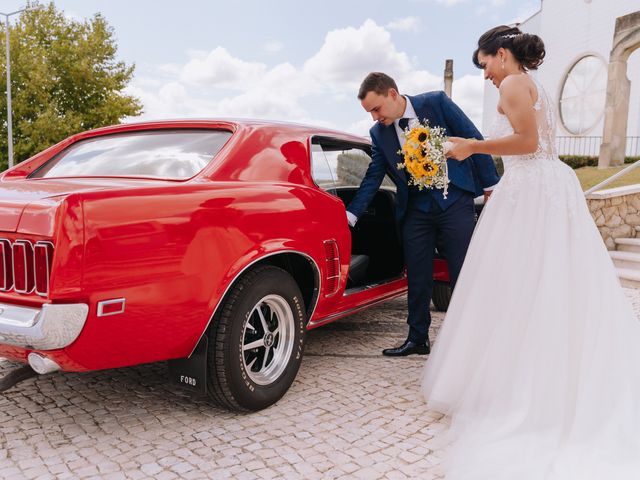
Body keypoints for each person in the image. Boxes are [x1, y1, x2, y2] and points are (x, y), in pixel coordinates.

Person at [422, 25, 640, 479]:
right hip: (542, 185)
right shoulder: (531, 84)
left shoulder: (516, 82)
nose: (484, 76)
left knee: (518, 282)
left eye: (484, 64)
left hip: (530, 188)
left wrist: (472, 147)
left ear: (501, 55)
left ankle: (520, 390)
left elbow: (528, 144)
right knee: (544, 280)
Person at [347, 72, 499, 357]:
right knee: (417, 276)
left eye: (376, 109)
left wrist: (491, 185)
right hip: (415, 209)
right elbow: (374, 175)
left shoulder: (436, 103)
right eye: (369, 112)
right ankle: (417, 338)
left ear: (392, 94)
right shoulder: (378, 133)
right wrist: (351, 215)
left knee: (462, 272)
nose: (374, 118)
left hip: (454, 200)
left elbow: (473, 138)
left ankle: (474, 340)